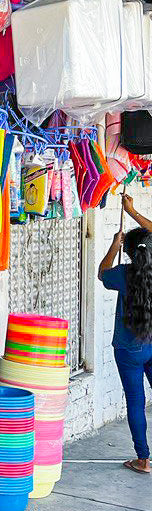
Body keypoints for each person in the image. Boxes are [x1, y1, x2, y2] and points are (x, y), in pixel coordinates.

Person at [99, 194, 152, 474]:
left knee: (135, 400)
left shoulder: (123, 273)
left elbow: (101, 272)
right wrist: (132, 211)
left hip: (129, 347)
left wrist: (113, 245)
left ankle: (143, 459)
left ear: (130, 252)